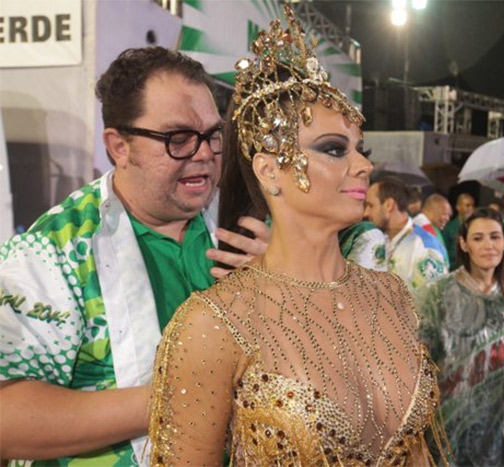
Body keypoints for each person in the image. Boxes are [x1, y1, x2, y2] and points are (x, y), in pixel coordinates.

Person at [148, 7, 448, 465]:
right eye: (333, 149)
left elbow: (417, 451)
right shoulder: (213, 324)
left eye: (360, 150)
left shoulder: (392, 297)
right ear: (269, 170)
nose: (364, 166)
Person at [0, 47, 268, 465]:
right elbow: (9, 419)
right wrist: (185, 394)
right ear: (119, 146)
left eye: (213, 136)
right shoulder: (56, 249)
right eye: (177, 138)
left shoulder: (243, 224)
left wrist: (288, 292)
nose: (203, 154)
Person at [418, 208, 504, 466]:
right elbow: (419, 367)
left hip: (498, 430)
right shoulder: (438, 296)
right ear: (464, 243)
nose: (488, 245)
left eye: (495, 237)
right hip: (446, 427)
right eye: (478, 238)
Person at [364, 177, 448, 290]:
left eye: (371, 206)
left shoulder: (424, 249)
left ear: (389, 205)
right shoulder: (383, 240)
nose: (366, 213)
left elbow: (434, 303)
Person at [413, 193, 452, 265]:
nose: (447, 218)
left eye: (449, 215)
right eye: (444, 214)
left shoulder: (430, 228)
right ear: (430, 210)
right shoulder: (426, 230)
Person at [443, 192, 476, 271]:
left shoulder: (476, 227)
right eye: (467, 205)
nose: (471, 209)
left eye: (473, 205)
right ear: (458, 207)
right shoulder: (449, 228)